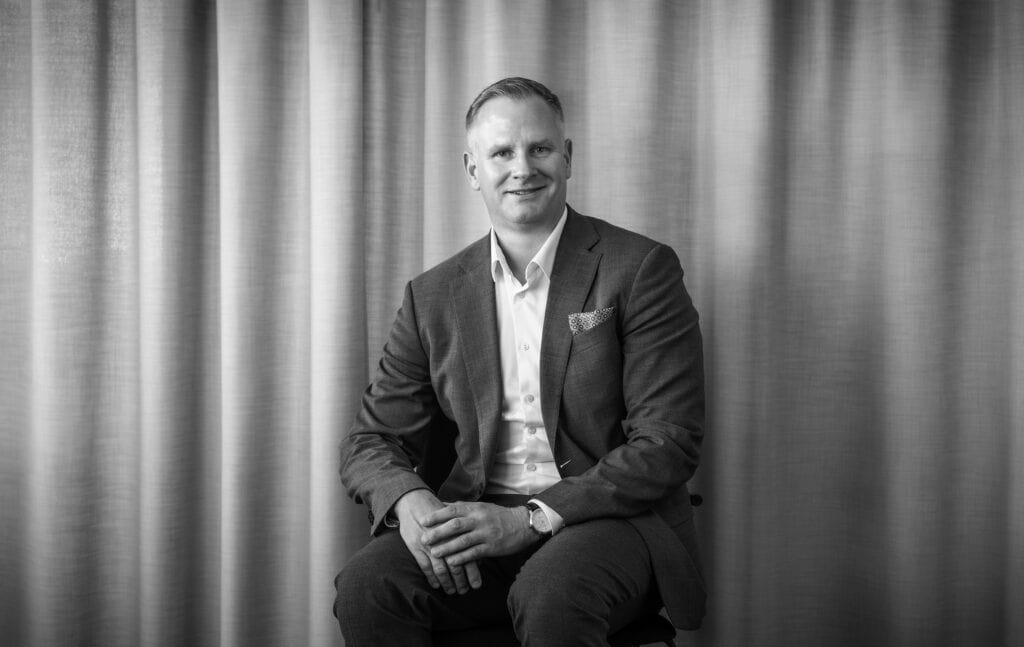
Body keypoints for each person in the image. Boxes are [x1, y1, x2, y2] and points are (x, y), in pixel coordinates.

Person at [334, 77, 705, 646]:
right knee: (368, 587)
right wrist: (408, 500)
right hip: (477, 519)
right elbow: (372, 439)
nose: (523, 168)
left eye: (540, 148)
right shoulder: (431, 295)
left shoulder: (640, 268)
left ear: (567, 157)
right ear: (472, 169)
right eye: (502, 152)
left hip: (608, 520)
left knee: (553, 592)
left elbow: (667, 440)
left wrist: (529, 518)